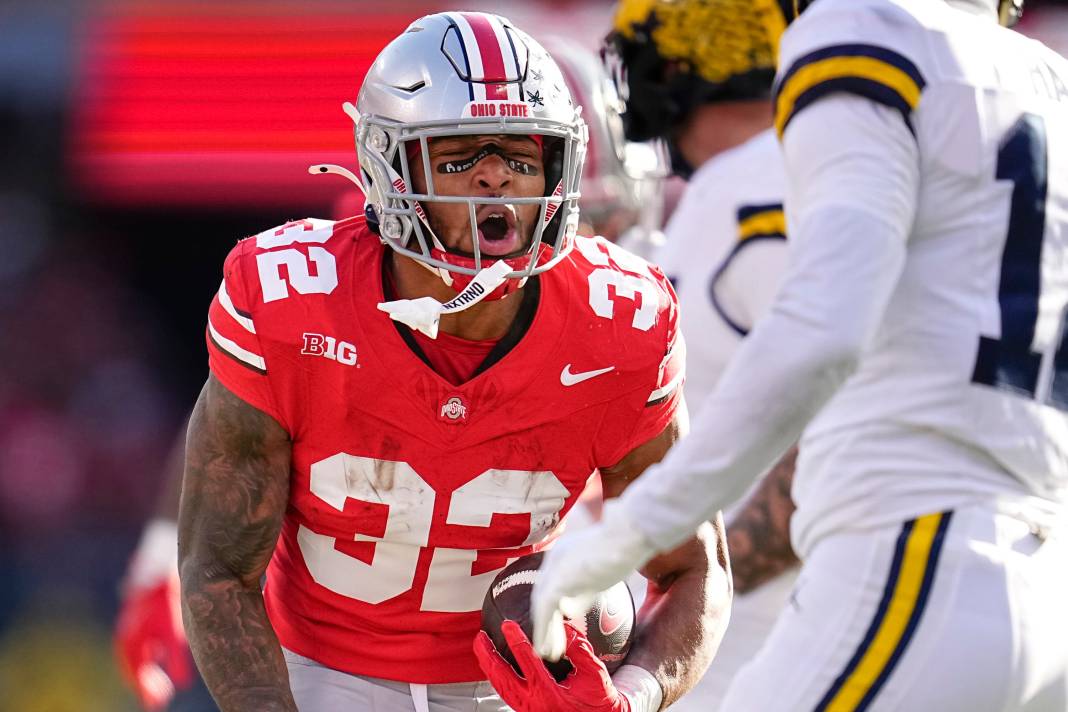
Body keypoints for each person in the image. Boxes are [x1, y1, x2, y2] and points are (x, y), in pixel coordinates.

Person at [178, 11, 731, 712]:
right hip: (315, 670)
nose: (495, 177)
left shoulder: (621, 323)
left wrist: (632, 697)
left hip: (512, 685)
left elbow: (695, 568)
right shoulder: (293, 302)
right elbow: (219, 569)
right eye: (459, 156)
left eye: (522, 158)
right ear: (390, 168)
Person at [532, 0, 1068, 710]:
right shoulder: (1045, 76)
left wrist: (629, 535)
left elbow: (823, 330)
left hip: (918, 546)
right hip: (1044, 566)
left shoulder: (869, 30)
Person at [602, 1, 801, 708]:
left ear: (677, 64)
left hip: (774, 637)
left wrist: (704, 585)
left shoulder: (751, 185)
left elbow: (851, 427)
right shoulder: (780, 171)